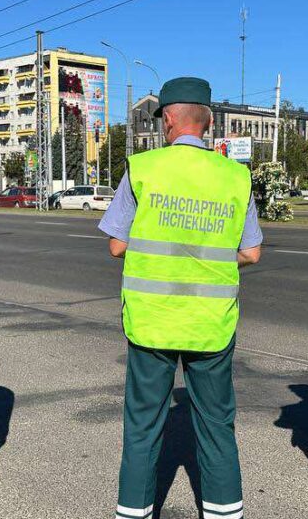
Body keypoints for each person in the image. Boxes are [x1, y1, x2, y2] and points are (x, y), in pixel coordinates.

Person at [98, 76, 263, 519]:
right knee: (216, 428)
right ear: (207, 122)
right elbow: (250, 252)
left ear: (169, 119)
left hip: (152, 321)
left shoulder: (143, 168)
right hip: (211, 323)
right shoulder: (236, 176)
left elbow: (116, 245)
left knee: (142, 429)